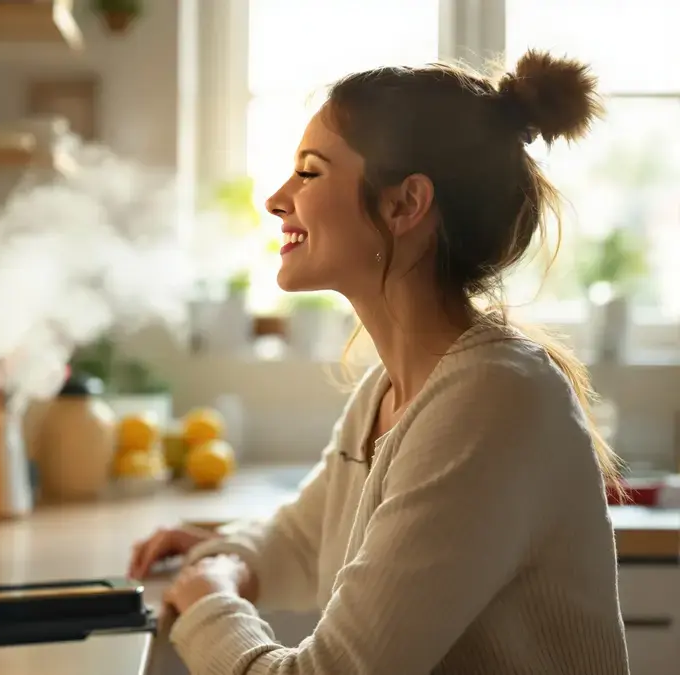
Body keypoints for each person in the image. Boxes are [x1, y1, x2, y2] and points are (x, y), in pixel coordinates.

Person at [127, 50, 630, 674]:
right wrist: (232, 555)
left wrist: (208, 604)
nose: (277, 200)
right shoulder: (390, 389)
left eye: (309, 174)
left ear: (404, 204)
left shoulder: (492, 398)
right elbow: (305, 537)